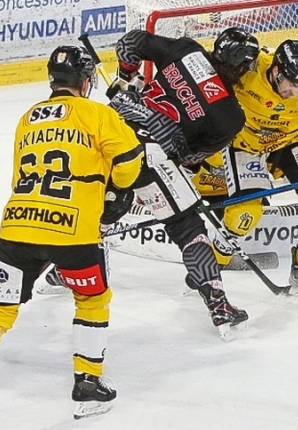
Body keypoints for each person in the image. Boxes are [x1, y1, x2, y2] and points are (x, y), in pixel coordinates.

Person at [0, 45, 144, 424]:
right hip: (74, 231)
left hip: (17, 225)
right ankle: (87, 383)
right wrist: (114, 191)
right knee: (92, 299)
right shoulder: (98, 113)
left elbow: (18, 177)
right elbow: (130, 161)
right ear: (86, 81)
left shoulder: (27, 118)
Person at [48, 27, 260, 338]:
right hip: (149, 153)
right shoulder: (231, 117)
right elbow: (189, 158)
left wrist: (127, 79)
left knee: (96, 207)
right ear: (241, 68)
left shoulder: (187, 51)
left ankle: (62, 269)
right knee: (187, 228)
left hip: (107, 134)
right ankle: (218, 305)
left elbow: (129, 44)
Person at [191, 39, 298, 295]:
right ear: (276, 71)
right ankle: (211, 267)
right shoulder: (247, 70)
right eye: (292, 84)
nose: (297, 92)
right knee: (244, 214)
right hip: (245, 144)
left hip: (293, 139)